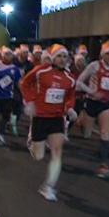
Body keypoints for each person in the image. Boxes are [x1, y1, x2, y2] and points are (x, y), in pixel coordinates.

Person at [20, 44, 78, 201]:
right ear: (53, 57)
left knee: (57, 151)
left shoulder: (70, 78)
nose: (62, 59)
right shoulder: (41, 71)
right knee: (38, 156)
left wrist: (70, 109)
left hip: (57, 118)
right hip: (40, 117)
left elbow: (70, 96)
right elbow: (24, 83)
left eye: (65, 57)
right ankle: (32, 140)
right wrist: (30, 102)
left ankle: (48, 187)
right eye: (59, 56)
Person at [76, 41, 109, 178]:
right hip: (92, 102)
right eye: (108, 53)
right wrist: (91, 92)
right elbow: (79, 82)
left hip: (106, 104)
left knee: (105, 134)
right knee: (87, 134)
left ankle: (103, 165)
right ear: (102, 54)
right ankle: (82, 121)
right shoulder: (94, 66)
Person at [12, 44, 34, 136]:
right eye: (23, 52)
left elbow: (32, 77)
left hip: (23, 87)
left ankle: (14, 122)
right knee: (13, 105)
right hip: (12, 87)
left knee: (19, 107)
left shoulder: (29, 65)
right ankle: (12, 124)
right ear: (20, 52)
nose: (25, 54)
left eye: (26, 52)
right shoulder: (14, 62)